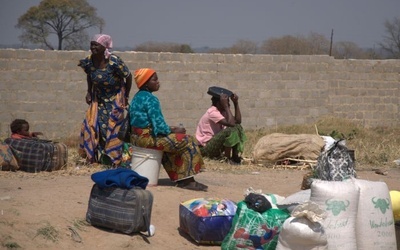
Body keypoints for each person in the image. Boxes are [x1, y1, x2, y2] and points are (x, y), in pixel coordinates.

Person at [129, 68, 207, 191]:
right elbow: (160, 128)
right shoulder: (151, 99)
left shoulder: (137, 97)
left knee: (172, 142)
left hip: (136, 138)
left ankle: (181, 178)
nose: (158, 82)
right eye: (155, 79)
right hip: (147, 139)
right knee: (188, 140)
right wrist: (174, 130)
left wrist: (171, 129)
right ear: (145, 83)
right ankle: (187, 181)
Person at [78, 34, 133, 166]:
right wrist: (89, 92)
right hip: (99, 99)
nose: (93, 47)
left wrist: (126, 96)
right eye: (92, 44)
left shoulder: (114, 61)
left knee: (113, 128)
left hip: (115, 100)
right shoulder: (89, 61)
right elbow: (90, 76)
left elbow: (128, 76)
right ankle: (101, 158)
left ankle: (116, 160)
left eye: (96, 45)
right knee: (95, 126)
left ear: (105, 47)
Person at [195, 88, 247, 165]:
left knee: (238, 127)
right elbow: (231, 124)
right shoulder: (212, 112)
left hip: (215, 144)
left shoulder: (222, 112)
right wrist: (226, 107)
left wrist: (236, 103)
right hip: (205, 148)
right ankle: (227, 158)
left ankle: (235, 157)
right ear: (219, 102)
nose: (228, 103)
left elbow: (237, 121)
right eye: (226, 101)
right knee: (230, 130)